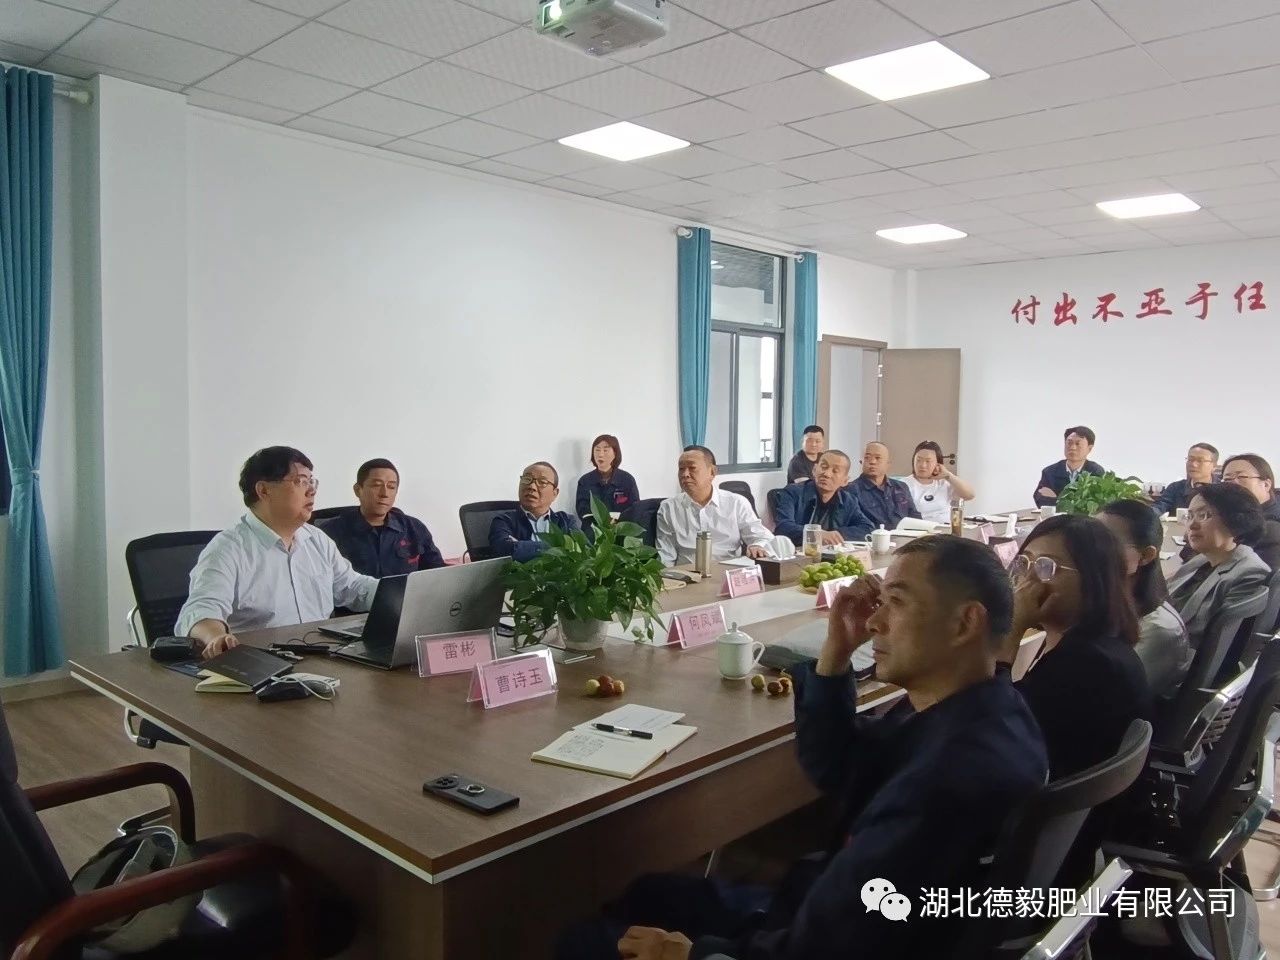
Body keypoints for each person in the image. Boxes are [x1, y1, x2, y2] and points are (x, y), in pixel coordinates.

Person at [576, 537, 1047, 960]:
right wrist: (836, 651)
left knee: (586, 941)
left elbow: (823, 948)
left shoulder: (945, 781)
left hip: (827, 936)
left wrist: (694, 955)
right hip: (843, 913)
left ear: (965, 623)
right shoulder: (986, 711)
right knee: (649, 893)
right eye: (880, 602)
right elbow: (838, 767)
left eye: (897, 603)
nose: (875, 622)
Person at [1001, 514, 1151, 889]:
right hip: (1062, 847)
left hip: (1029, 861)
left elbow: (992, 728)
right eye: (1023, 563)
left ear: (1093, 580)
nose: (1026, 579)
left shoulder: (1087, 665)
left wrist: (1011, 628)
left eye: (1046, 567)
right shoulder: (1093, 645)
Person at [175, 446, 377, 659]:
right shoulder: (228, 549)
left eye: (312, 481)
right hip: (261, 663)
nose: (311, 490)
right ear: (264, 490)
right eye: (300, 481)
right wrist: (216, 637)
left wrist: (397, 592)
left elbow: (354, 587)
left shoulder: (317, 540)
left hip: (321, 656)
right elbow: (201, 610)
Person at [1098, 500, 1189, 698]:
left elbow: (1109, 699)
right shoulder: (1107, 604)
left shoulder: (1158, 630)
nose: (1091, 550)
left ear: (1146, 555)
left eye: (1106, 542)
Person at [1166, 484, 1271, 646]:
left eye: (1203, 515)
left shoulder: (1251, 572)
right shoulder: (1202, 560)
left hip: (1178, 651)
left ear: (1235, 519)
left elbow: (1214, 642)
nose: (1192, 525)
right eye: (1190, 516)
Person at [321, 458, 445, 578]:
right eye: (376, 485)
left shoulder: (414, 528)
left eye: (391, 487)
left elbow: (438, 574)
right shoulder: (329, 533)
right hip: (359, 593)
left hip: (406, 593)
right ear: (358, 490)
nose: (384, 494)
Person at [655, 446, 773, 567]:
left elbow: (763, 537)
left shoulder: (736, 503)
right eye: (681, 469)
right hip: (687, 575)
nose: (685, 474)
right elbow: (666, 555)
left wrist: (757, 545)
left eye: (692, 468)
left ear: (712, 472)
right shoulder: (668, 508)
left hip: (727, 572)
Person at [772, 451, 873, 547]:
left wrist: (835, 535)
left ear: (845, 481)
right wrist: (816, 534)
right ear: (814, 470)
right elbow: (783, 527)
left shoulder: (848, 500)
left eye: (835, 471)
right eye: (824, 467)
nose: (827, 474)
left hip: (832, 555)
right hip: (798, 553)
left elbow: (868, 528)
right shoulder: (792, 492)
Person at [489, 462, 581, 562]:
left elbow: (583, 551)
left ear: (555, 493)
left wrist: (521, 546)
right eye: (526, 479)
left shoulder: (566, 521)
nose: (531, 486)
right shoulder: (504, 521)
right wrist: (559, 547)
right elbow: (505, 550)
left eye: (542, 482)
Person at [1221, 453, 1280, 569]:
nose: (1233, 483)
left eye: (1241, 477)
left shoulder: (1271, 528)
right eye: (1227, 479)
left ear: (1266, 484)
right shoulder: (1234, 514)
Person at [849, 441, 919, 530]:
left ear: (888, 464)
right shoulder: (851, 490)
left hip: (905, 536)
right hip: (872, 537)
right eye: (867, 458)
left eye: (877, 458)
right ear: (861, 462)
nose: (872, 462)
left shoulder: (901, 487)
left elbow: (914, 517)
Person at [902, 441, 976, 525]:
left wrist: (948, 475)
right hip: (921, 530)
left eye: (928, 461)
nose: (922, 465)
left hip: (947, 529)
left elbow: (970, 495)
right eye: (918, 460)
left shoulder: (944, 482)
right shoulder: (903, 484)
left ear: (938, 464)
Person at [1033, 426, 1105, 507]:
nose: (1073, 448)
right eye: (1069, 443)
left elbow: (1093, 504)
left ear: (1089, 448)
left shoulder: (1096, 472)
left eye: (1078, 444)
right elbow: (1040, 499)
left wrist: (1056, 500)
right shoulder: (1050, 471)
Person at [575, 434, 640, 522]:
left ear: (615, 453)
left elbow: (635, 509)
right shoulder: (585, 481)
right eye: (597, 450)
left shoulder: (627, 480)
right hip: (593, 528)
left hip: (621, 528)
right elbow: (582, 511)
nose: (600, 454)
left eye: (605, 450)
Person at [1149, 443, 1218, 516]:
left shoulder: (1222, 489)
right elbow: (1160, 507)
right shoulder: (1175, 488)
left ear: (1214, 466)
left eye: (1200, 460)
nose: (1193, 464)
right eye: (1190, 459)